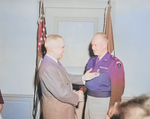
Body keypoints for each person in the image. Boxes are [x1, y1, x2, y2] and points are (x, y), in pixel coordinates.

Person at [38, 34, 99, 119]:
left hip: (63, 111)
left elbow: (66, 77)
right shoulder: (48, 67)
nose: (64, 50)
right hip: (57, 113)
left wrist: (84, 78)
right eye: (62, 47)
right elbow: (61, 93)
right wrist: (77, 96)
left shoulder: (53, 62)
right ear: (53, 49)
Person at [84, 32, 125, 119]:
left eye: (95, 45)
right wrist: (81, 89)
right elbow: (88, 81)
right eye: (92, 45)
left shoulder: (115, 63)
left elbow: (117, 90)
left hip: (103, 102)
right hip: (89, 100)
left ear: (104, 45)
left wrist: (110, 111)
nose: (92, 48)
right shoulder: (91, 61)